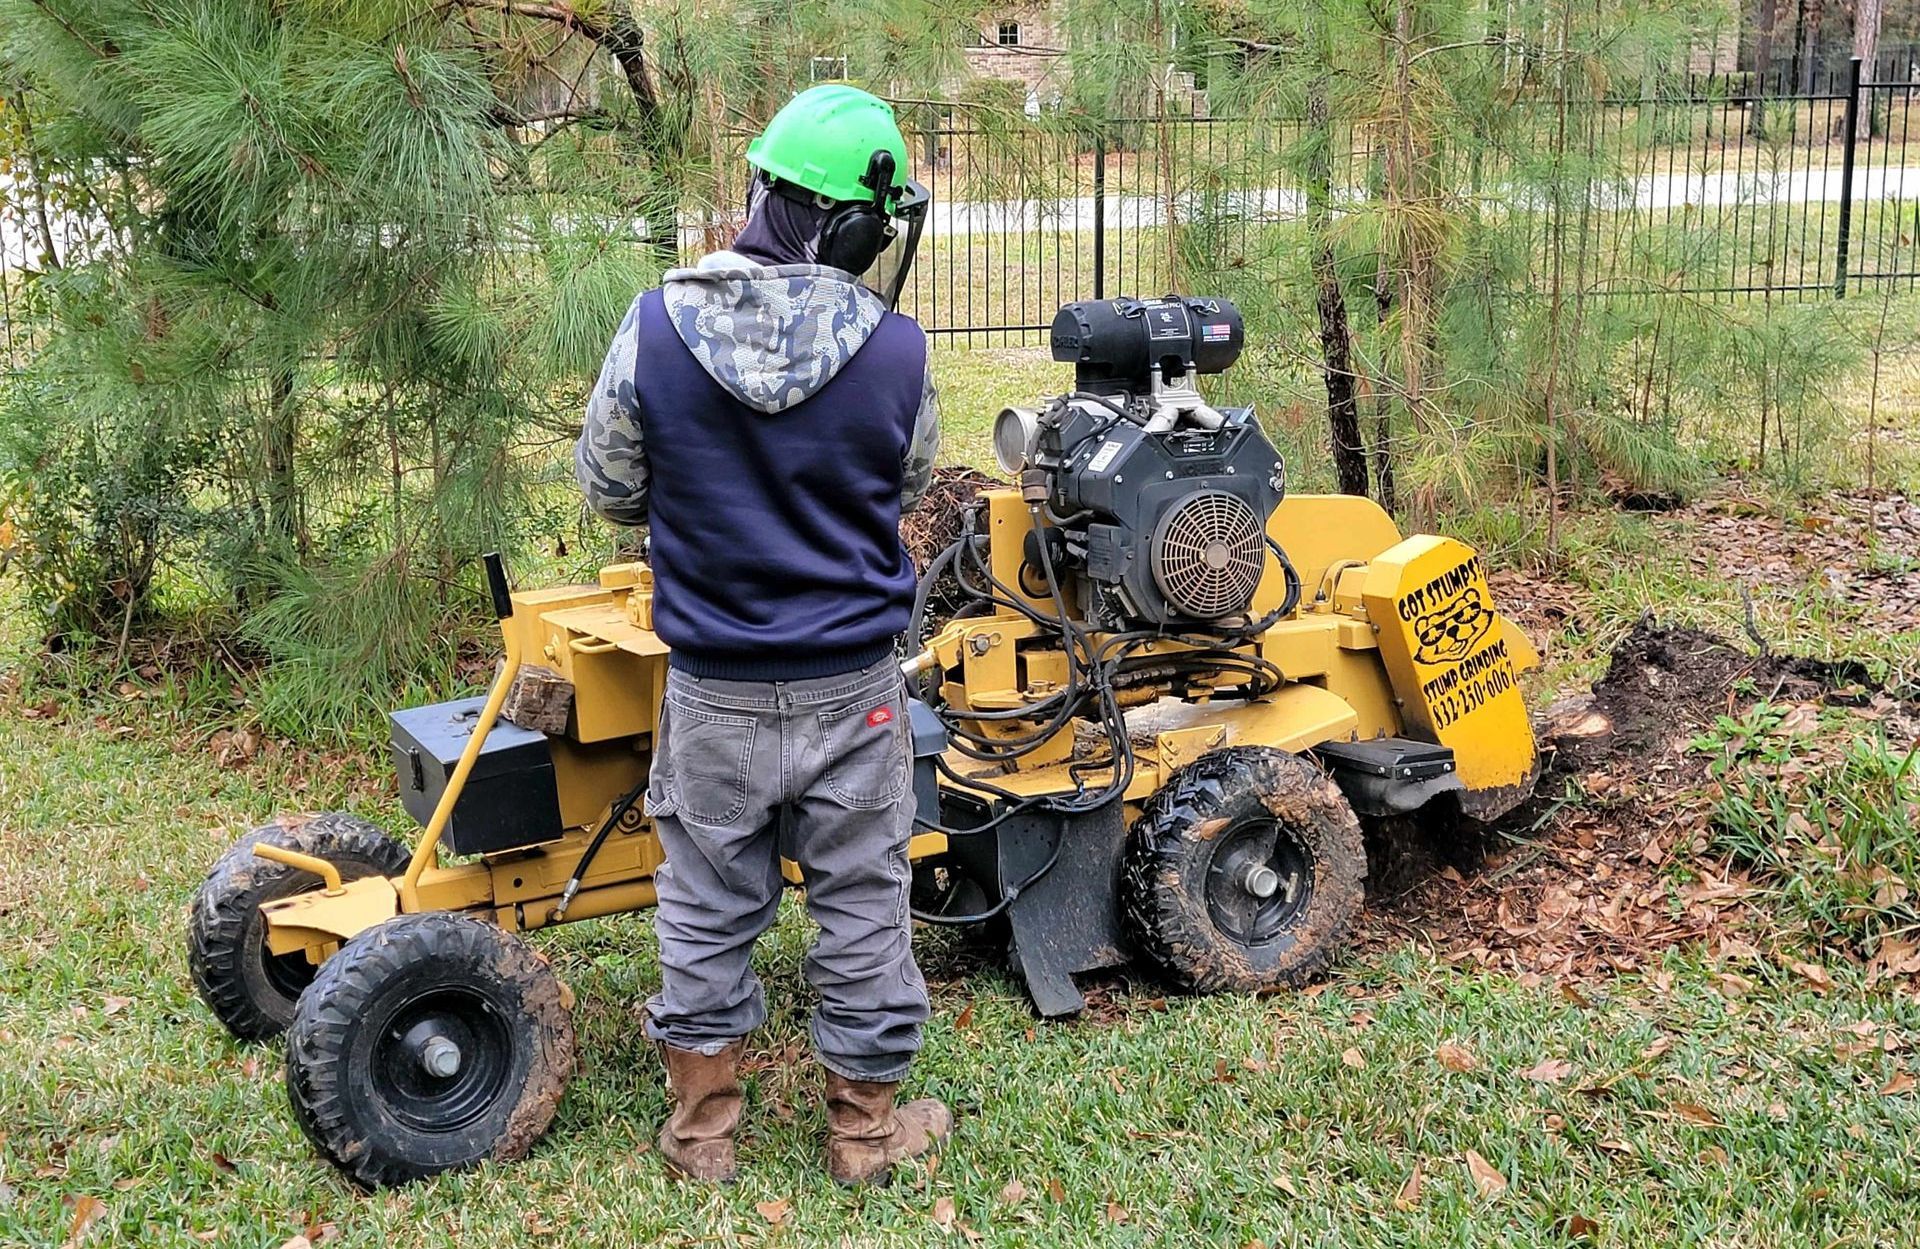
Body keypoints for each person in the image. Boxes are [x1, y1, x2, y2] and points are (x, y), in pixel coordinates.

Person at [574, 84, 946, 1186]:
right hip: (854, 690)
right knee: (865, 912)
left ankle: (703, 1140)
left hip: (714, 692)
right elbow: (907, 477)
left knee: (703, 910)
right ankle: (866, 1139)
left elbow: (608, 488)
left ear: (760, 189)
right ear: (858, 227)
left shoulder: (653, 327)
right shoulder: (900, 351)